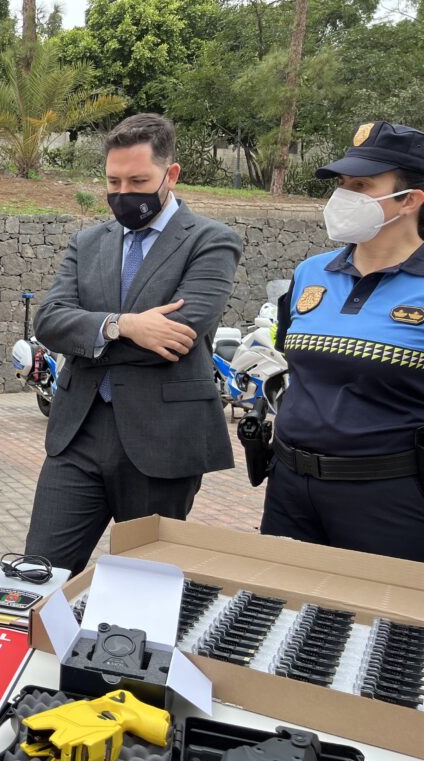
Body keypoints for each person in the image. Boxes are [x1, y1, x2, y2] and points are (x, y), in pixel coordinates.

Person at [24, 114, 242, 575]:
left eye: (138, 180)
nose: (124, 193)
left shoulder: (210, 240)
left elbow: (181, 331)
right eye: (113, 181)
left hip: (162, 438)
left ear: (171, 174)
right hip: (79, 431)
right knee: (37, 573)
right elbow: (49, 320)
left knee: (142, 585)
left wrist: (86, 332)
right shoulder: (88, 242)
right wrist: (121, 326)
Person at [260, 121, 424, 562]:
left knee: (383, 626)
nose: (343, 197)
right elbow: (295, 362)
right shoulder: (311, 273)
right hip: (289, 490)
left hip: (388, 498)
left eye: (362, 185)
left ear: (409, 200)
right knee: (278, 611)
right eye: (342, 184)